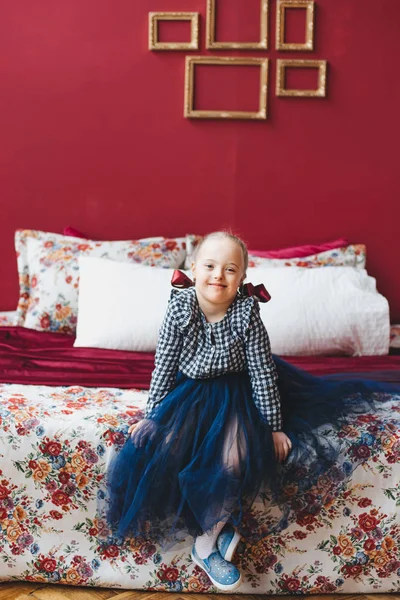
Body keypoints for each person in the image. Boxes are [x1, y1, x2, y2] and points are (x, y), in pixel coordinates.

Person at [106, 231, 398, 592]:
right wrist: (152, 414)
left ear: (242, 278)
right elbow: (164, 364)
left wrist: (273, 427)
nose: (218, 275)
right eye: (210, 266)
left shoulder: (246, 314)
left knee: (233, 458)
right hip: (189, 392)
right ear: (193, 269)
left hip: (238, 390)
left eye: (230, 269)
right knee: (169, 447)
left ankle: (206, 543)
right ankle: (214, 525)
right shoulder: (179, 309)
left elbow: (262, 372)